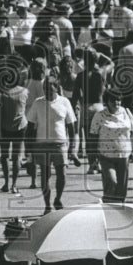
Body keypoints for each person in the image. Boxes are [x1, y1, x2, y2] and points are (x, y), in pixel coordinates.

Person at [25, 75, 77, 213]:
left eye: (50, 89)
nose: (47, 92)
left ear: (56, 88)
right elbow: (30, 127)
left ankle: (58, 198)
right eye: (45, 89)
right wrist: (28, 150)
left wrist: (72, 148)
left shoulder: (64, 102)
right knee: (45, 175)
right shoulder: (38, 103)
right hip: (42, 144)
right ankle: (47, 205)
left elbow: (71, 127)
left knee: (62, 174)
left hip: (60, 143)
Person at [89, 90, 133, 202]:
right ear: (107, 101)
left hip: (124, 155)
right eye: (113, 100)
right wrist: (92, 157)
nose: (117, 102)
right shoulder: (100, 115)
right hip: (106, 156)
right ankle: (108, 208)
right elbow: (93, 135)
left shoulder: (127, 113)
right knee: (111, 182)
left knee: (122, 189)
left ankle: (118, 211)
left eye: (119, 100)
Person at [0, 64, 28, 194]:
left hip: (5, 127)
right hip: (20, 126)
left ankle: (7, 183)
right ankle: (14, 184)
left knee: (4, 156)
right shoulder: (24, 91)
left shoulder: (2, 94)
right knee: (16, 157)